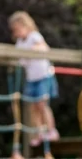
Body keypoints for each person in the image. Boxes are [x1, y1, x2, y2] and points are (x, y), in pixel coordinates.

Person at [9, 12, 59, 144]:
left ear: (25, 26)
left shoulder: (34, 36)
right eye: (15, 30)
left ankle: (51, 130)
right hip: (31, 78)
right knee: (33, 107)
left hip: (43, 75)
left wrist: (34, 49)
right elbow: (19, 58)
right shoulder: (20, 43)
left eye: (18, 29)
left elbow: (44, 47)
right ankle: (39, 133)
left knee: (42, 104)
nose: (17, 33)